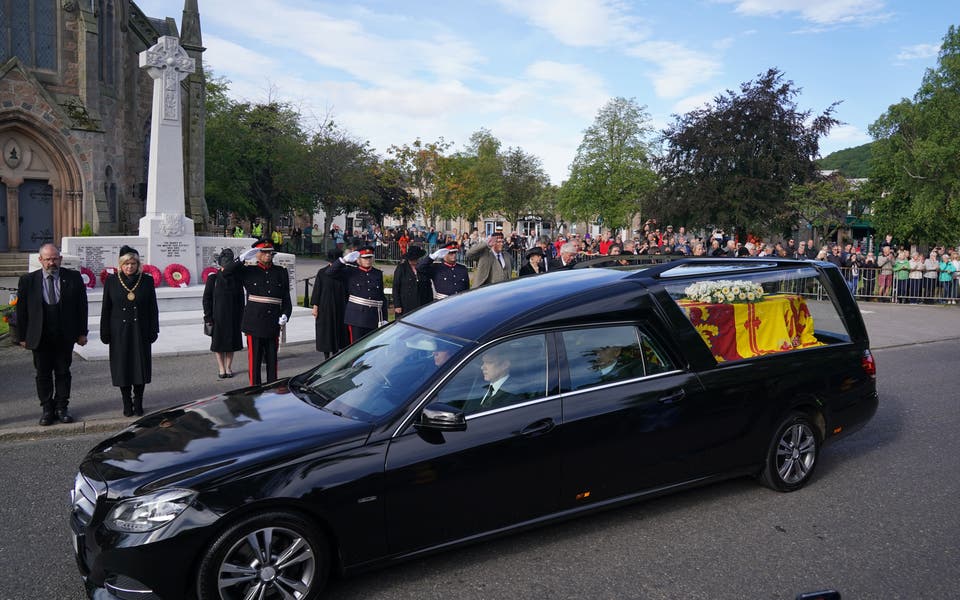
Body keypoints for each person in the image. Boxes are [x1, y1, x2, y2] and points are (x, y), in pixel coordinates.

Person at [15, 243, 89, 425]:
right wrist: (22, 336)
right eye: (47, 259)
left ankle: (62, 407)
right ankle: (47, 409)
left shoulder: (73, 278)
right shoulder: (28, 281)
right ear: (40, 260)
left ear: (60, 259)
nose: (51, 262)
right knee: (43, 374)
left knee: (63, 372)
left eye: (55, 258)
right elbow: (21, 310)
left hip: (65, 335)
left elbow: (82, 307)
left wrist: (82, 333)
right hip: (40, 336)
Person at [100, 246, 159, 417]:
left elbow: (152, 308)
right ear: (121, 264)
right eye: (126, 264)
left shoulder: (146, 281)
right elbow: (106, 308)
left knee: (140, 367)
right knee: (123, 368)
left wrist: (154, 329)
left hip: (140, 330)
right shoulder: (112, 281)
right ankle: (127, 402)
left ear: (138, 264)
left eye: (133, 263)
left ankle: (138, 401)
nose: (130, 267)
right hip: (119, 331)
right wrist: (105, 331)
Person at [227, 239, 293, 385]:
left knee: (272, 360)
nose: (268, 255)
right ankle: (254, 390)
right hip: (254, 321)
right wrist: (242, 258)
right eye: (263, 252)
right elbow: (227, 272)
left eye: (270, 253)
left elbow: (286, 297)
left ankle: (272, 388)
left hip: (272, 321)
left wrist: (285, 314)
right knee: (255, 360)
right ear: (257, 254)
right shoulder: (248, 270)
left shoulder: (280, 272)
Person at [326, 246, 388, 343]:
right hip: (357, 317)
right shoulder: (351, 272)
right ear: (358, 259)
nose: (368, 260)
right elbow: (329, 272)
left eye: (370, 257)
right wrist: (343, 260)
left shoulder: (377, 273)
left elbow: (381, 297)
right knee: (357, 346)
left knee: (372, 346)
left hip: (374, 317)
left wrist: (385, 318)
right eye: (365, 258)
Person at [202, 249, 245, 379]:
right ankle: (221, 367)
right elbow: (206, 298)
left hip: (233, 316)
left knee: (231, 344)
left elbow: (241, 299)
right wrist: (208, 316)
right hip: (217, 317)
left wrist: (242, 317)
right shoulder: (213, 278)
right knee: (218, 345)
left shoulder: (237, 279)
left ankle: (228, 367)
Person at [311, 249, 349, 360]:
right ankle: (326, 356)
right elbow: (317, 290)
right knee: (326, 331)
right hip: (325, 306)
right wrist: (315, 306)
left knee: (340, 329)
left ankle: (337, 354)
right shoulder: (322, 272)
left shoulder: (345, 272)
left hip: (341, 305)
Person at [463, 349, 520, 413]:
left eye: (489, 362)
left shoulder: (515, 394)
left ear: (505, 365)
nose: (482, 367)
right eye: (483, 362)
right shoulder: (477, 386)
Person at [393, 246, 431, 316]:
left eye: (416, 258)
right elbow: (395, 287)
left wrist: (430, 304)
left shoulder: (423, 268)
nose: (414, 260)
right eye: (412, 259)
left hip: (422, 303)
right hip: (405, 304)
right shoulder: (401, 268)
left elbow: (429, 287)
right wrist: (397, 305)